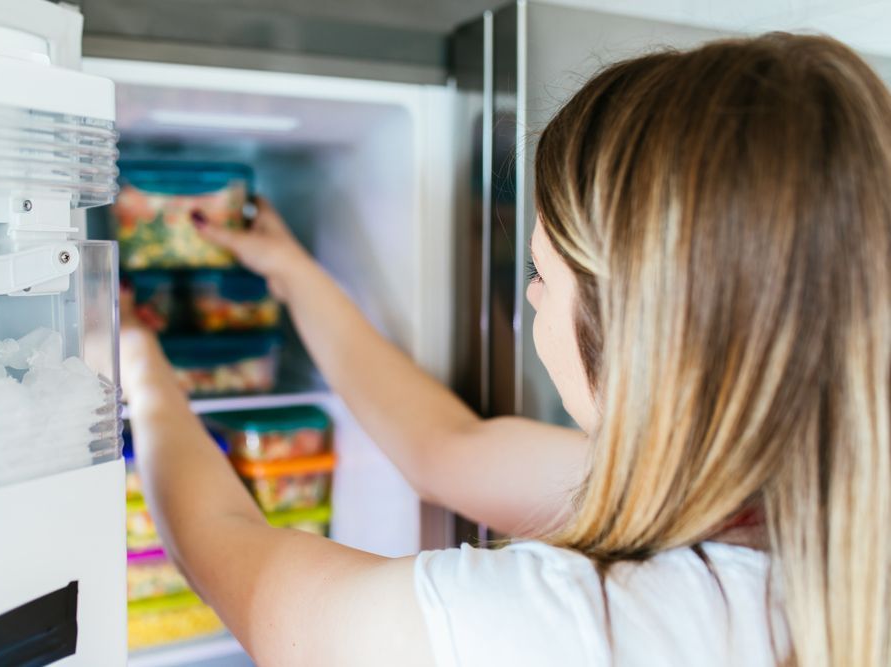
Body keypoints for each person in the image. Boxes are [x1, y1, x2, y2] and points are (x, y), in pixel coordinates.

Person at [120, 32, 891, 666]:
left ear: (641, 334)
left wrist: (139, 363)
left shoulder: (560, 630)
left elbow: (235, 559)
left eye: (542, 276)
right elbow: (445, 447)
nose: (528, 299)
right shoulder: (807, 515)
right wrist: (291, 273)